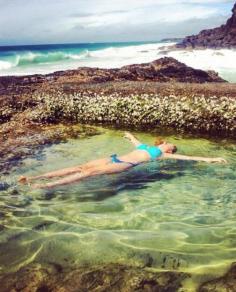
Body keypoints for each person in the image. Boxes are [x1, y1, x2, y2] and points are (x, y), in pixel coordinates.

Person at [18, 132, 227, 189]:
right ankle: (34, 177)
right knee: (79, 166)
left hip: (125, 164)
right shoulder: (147, 146)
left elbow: (190, 157)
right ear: (163, 142)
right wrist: (128, 135)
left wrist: (213, 159)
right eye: (170, 144)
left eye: (172, 147)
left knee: (87, 174)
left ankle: (45, 186)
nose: (171, 146)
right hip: (114, 157)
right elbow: (135, 141)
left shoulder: (163, 154)